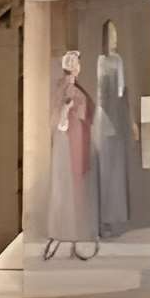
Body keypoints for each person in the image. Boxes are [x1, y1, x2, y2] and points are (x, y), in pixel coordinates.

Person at [42, 51, 99, 257]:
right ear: (73, 66)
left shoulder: (71, 88)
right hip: (68, 143)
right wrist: (66, 115)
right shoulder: (68, 89)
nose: (79, 67)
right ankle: (65, 231)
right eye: (77, 63)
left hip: (75, 141)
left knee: (70, 185)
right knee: (66, 185)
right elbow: (60, 119)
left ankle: (71, 231)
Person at [94, 19, 131, 240]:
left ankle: (112, 218)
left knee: (115, 170)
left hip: (114, 115)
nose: (114, 40)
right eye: (111, 35)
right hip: (104, 116)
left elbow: (121, 90)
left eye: (115, 35)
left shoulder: (118, 60)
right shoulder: (102, 60)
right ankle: (103, 220)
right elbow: (102, 91)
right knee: (104, 168)